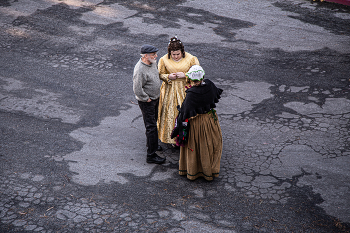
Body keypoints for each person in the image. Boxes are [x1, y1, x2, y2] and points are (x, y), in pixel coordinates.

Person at [171, 65, 223, 181]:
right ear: (202, 76)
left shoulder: (192, 93)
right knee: (210, 144)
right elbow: (215, 95)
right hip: (210, 119)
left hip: (197, 123)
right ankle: (210, 170)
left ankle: (196, 170)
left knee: (198, 145)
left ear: (190, 78)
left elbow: (184, 113)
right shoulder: (209, 84)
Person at [157, 36, 200, 145]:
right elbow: (159, 74)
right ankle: (173, 139)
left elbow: (198, 74)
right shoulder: (163, 60)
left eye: (178, 54)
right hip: (170, 90)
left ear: (182, 52)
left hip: (185, 90)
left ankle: (188, 136)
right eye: (173, 54)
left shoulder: (191, 59)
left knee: (186, 113)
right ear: (170, 53)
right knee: (171, 113)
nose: (176, 56)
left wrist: (186, 75)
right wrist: (167, 77)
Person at [133, 44, 166, 164]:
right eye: (153, 55)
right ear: (145, 56)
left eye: (155, 54)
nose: (156, 56)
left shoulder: (151, 63)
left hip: (155, 99)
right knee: (151, 127)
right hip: (147, 102)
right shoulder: (140, 70)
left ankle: (152, 144)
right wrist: (146, 99)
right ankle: (151, 156)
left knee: (154, 123)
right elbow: (137, 88)